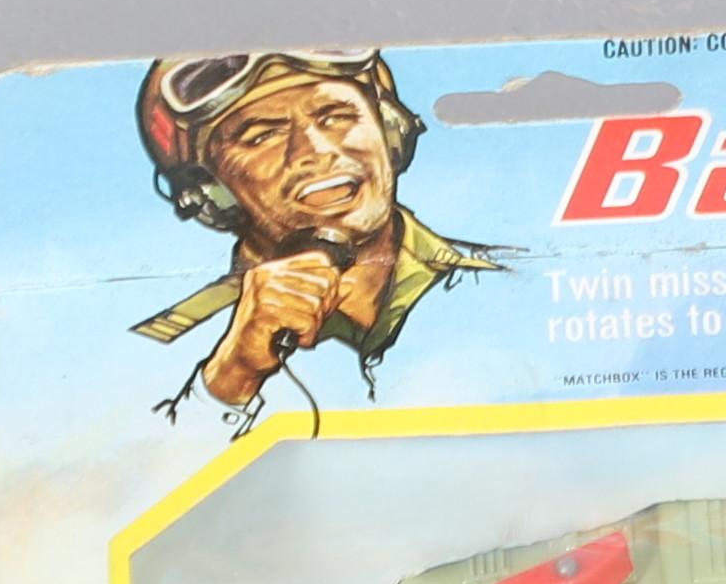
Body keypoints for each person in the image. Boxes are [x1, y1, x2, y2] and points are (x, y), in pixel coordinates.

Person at [125, 48, 496, 418]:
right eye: (262, 136)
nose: (316, 151)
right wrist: (231, 378)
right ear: (211, 193)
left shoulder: (511, 286)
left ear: (390, 131)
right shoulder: (158, 353)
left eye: (336, 116)